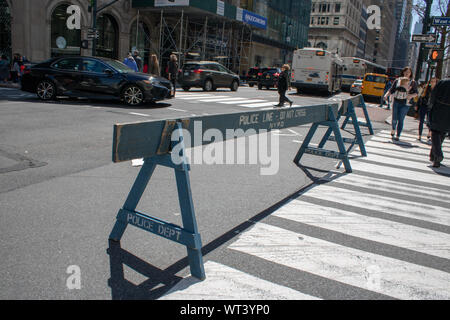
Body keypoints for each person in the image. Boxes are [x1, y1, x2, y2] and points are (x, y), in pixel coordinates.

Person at [384, 66, 418, 141]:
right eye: (406, 72)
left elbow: (416, 93)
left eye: (409, 72)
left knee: (401, 119)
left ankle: (398, 135)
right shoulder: (397, 80)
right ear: (403, 72)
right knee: (394, 118)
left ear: (411, 73)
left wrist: (410, 96)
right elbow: (392, 89)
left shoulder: (412, 82)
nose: (407, 73)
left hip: (406, 103)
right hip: (396, 101)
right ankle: (393, 129)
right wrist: (386, 95)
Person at [428, 78, 450, 168]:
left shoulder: (443, 82)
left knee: (435, 132)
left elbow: (433, 95)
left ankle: (437, 155)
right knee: (442, 132)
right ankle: (433, 156)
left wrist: (430, 107)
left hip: (439, 108)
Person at [416, 77, 438, 142]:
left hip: (432, 107)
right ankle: (419, 136)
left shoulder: (437, 89)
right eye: (431, 81)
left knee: (430, 122)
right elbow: (420, 96)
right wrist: (417, 105)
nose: (433, 83)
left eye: (434, 81)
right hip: (424, 105)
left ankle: (429, 134)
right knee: (421, 121)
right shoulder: (426, 88)